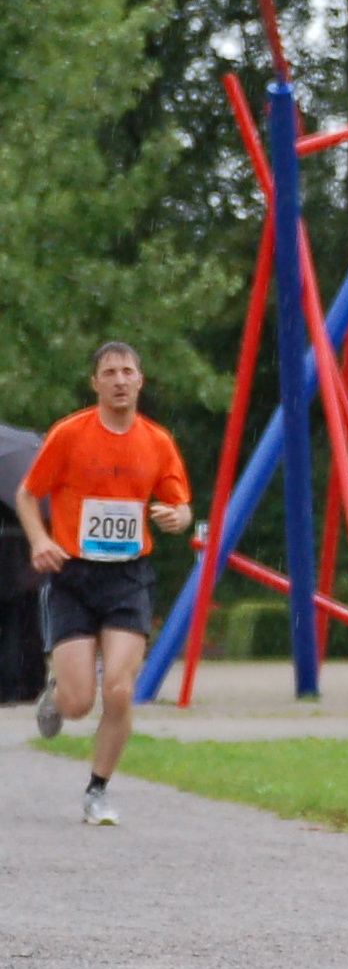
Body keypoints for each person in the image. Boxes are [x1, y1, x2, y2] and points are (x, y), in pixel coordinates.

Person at [15, 342, 192, 825]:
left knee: (118, 688)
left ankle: (98, 790)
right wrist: (38, 542)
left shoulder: (156, 441)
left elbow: (180, 504)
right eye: (109, 372)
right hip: (72, 575)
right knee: (78, 703)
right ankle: (57, 691)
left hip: (128, 576)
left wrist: (177, 516)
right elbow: (28, 495)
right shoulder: (70, 434)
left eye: (127, 371)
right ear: (95, 383)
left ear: (140, 381)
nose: (118, 380)